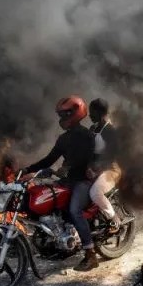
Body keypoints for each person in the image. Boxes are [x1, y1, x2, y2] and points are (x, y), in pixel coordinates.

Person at [23, 95, 98, 272]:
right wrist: (28, 169)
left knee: (74, 210)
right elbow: (49, 158)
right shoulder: (63, 139)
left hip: (84, 180)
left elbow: (86, 158)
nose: (62, 119)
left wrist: (67, 167)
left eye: (66, 114)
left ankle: (90, 254)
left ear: (77, 112)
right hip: (68, 180)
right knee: (51, 202)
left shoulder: (87, 136)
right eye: (61, 115)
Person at [87, 98, 123, 232]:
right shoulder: (93, 128)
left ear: (101, 112)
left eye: (92, 112)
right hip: (94, 168)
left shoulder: (110, 131)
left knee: (95, 193)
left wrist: (97, 170)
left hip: (110, 169)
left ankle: (114, 218)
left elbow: (111, 155)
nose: (89, 115)